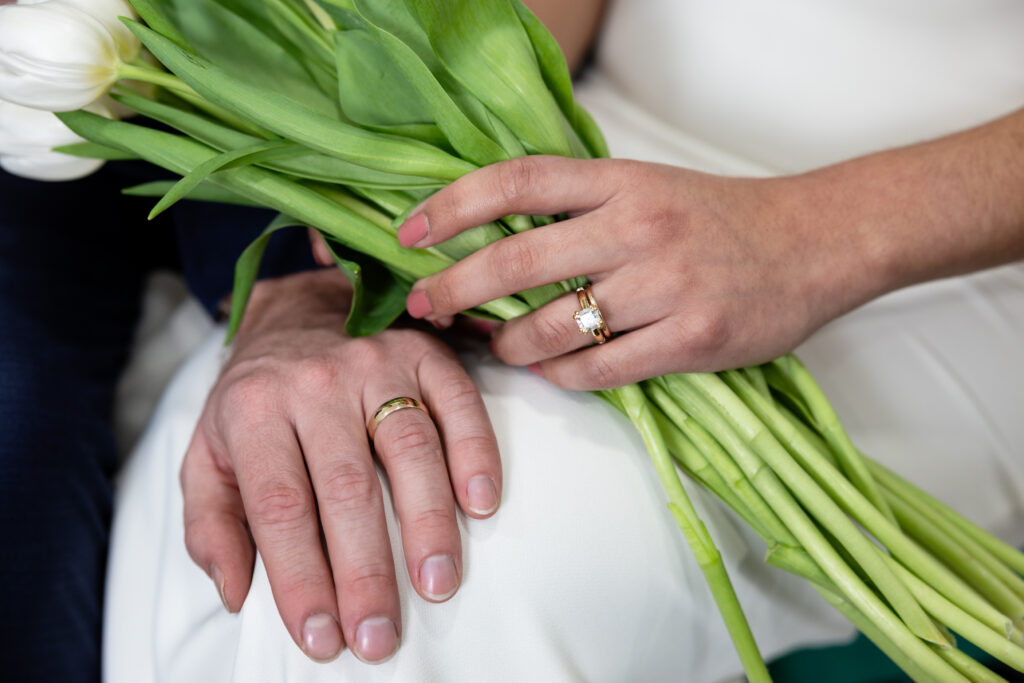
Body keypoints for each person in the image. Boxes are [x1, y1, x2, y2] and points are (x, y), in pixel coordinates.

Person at [101, 0, 1024, 681]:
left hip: (946, 244)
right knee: (263, 480)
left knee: (455, 582)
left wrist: (808, 235)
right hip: (597, 156)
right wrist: (431, 175)